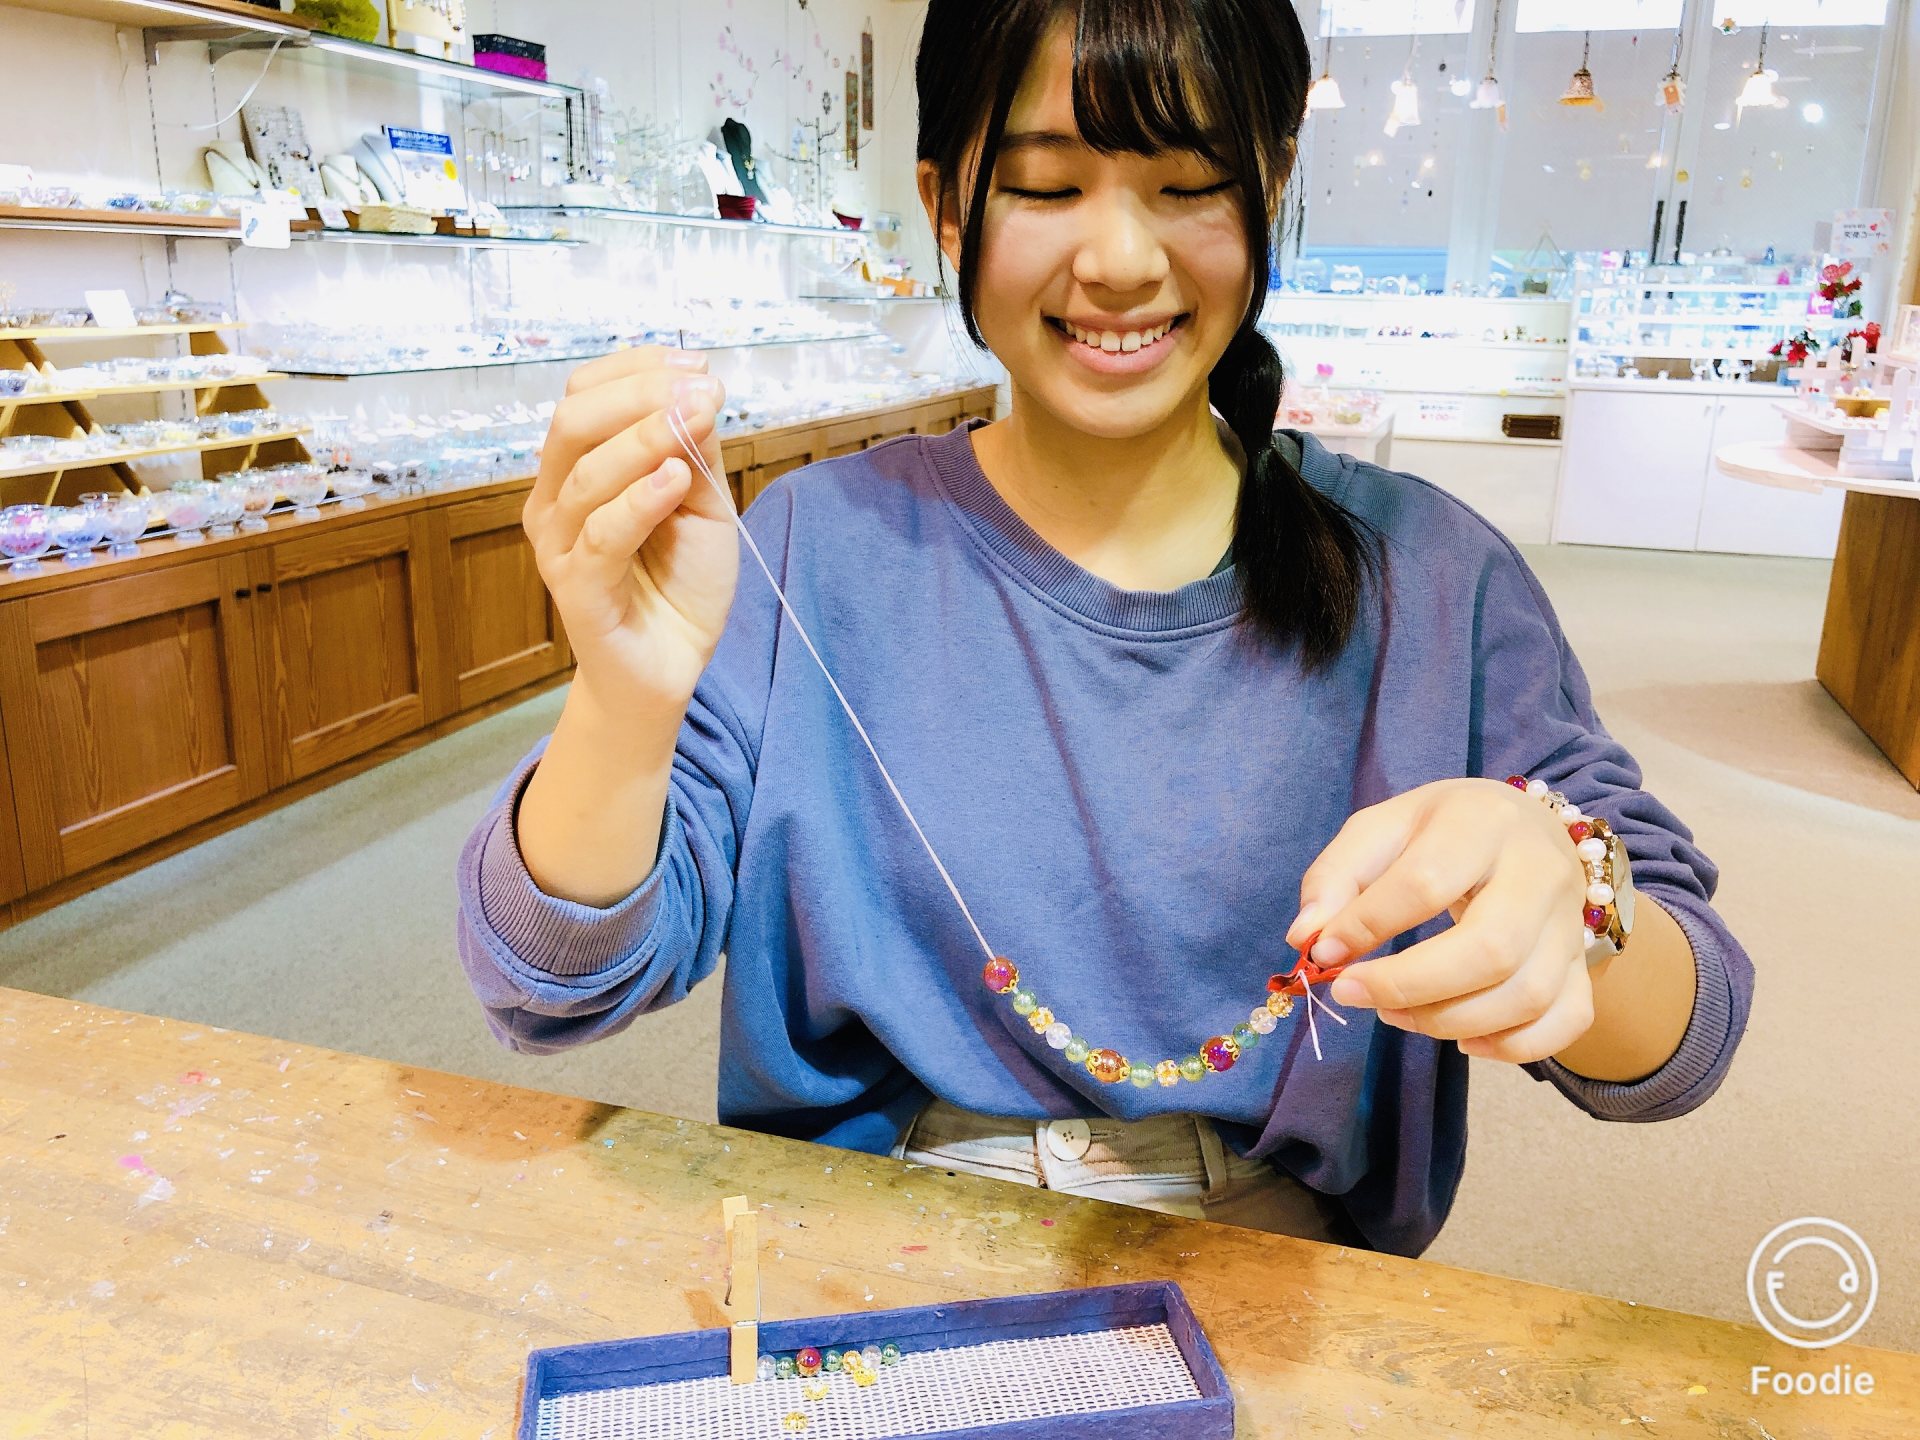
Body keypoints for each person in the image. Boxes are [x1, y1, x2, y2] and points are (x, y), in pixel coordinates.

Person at [457, 0, 1753, 1256]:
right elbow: (553, 978)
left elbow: (1680, 1041)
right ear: (947, 205)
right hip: (868, 1259)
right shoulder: (815, 547)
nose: (1122, 258)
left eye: (1187, 180)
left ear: (1270, 186)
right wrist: (623, 697)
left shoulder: (1433, 579)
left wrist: (1573, 899)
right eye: (1047, 184)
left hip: (1289, 1281)